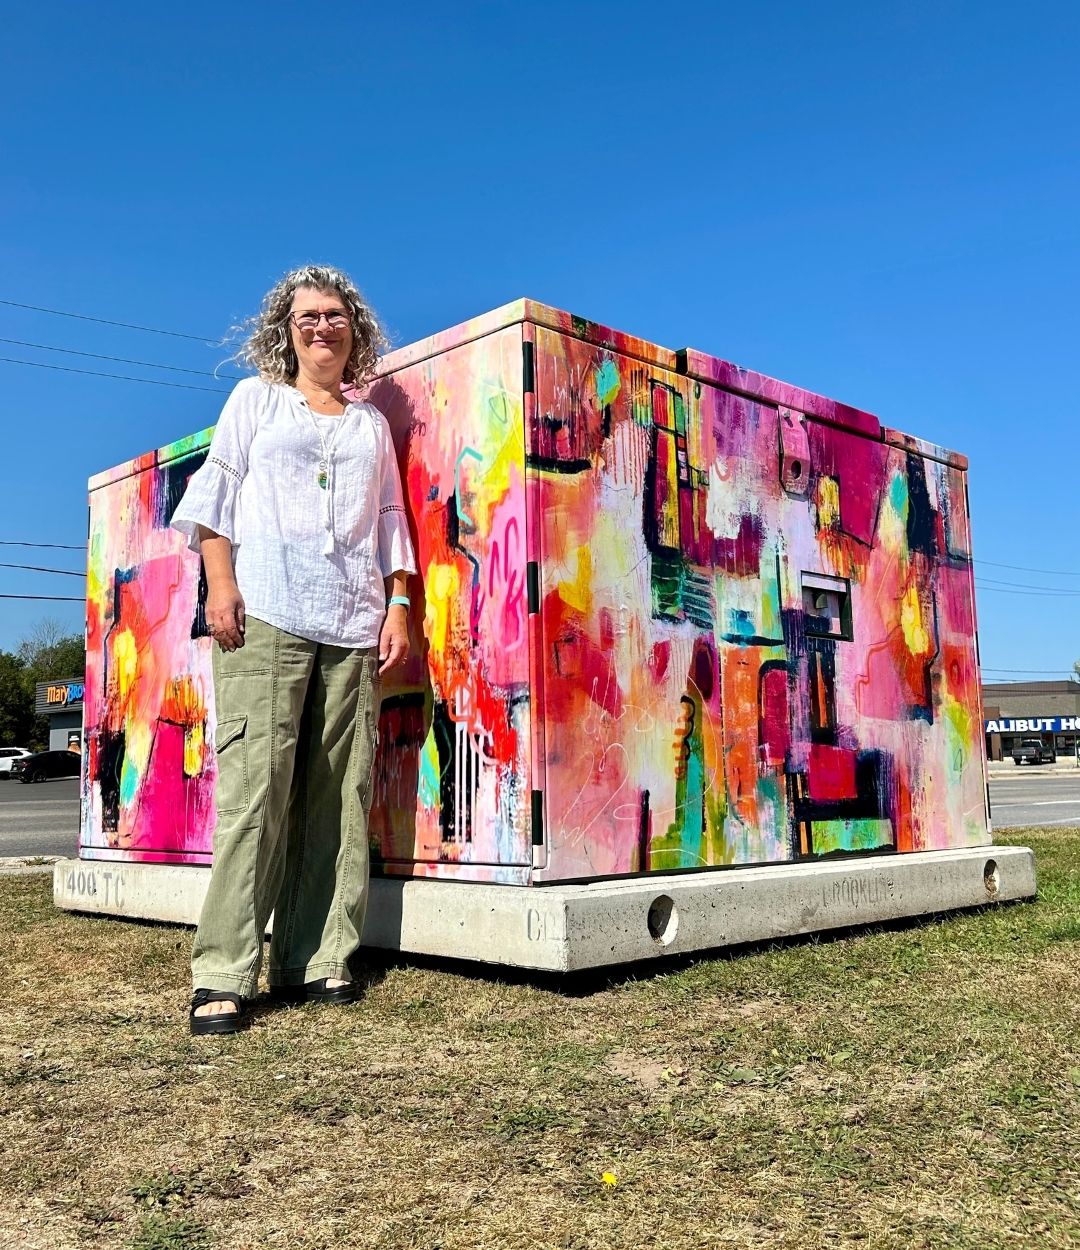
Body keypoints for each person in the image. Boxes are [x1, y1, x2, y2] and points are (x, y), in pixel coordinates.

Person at [171, 264, 416, 1036]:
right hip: (267, 608)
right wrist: (220, 585)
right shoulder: (256, 400)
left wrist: (400, 605)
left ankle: (318, 959)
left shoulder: (371, 423)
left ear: (355, 329)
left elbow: (389, 521)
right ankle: (224, 973)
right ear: (287, 328)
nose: (322, 326)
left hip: (352, 620)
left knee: (338, 798)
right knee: (256, 791)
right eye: (307, 316)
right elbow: (215, 497)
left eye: (335, 315)